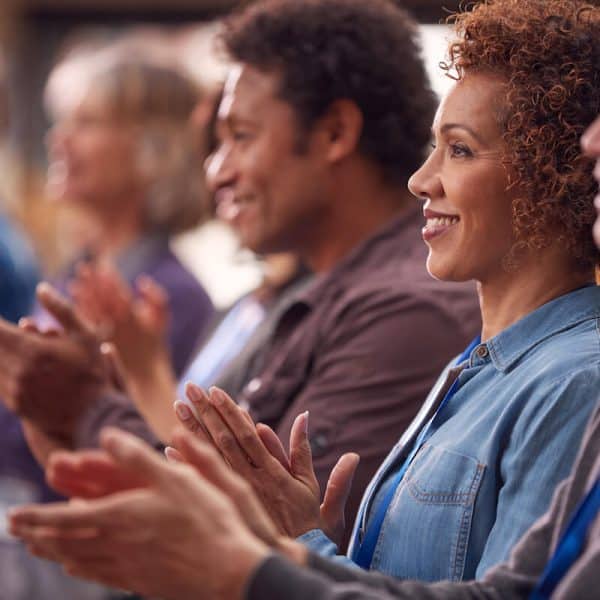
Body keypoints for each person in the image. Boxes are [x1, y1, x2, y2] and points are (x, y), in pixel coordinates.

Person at [0, 0, 480, 536]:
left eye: (241, 136)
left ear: (335, 134)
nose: (216, 170)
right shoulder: (292, 295)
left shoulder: (404, 311)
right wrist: (99, 405)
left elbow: (246, 546)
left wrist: (89, 410)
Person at [171, 0, 600, 582]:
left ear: (553, 178)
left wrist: (292, 557)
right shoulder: (481, 367)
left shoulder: (575, 380)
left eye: (461, 149)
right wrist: (302, 536)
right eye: (434, 147)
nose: (422, 181)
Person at [41, 46, 214, 376]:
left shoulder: (173, 297)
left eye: (87, 122)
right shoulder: (72, 273)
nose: (58, 138)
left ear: (154, 148)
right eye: (63, 120)